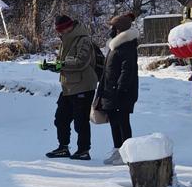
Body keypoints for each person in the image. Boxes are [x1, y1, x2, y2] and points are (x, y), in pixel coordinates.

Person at [41, 14, 98, 160]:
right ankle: (63, 147)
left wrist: (62, 65)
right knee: (60, 119)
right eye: (58, 30)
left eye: (61, 30)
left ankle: (83, 150)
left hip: (83, 86)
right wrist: (53, 66)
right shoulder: (65, 40)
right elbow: (64, 63)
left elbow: (80, 62)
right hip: (67, 87)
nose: (59, 33)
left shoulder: (83, 40)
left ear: (69, 27)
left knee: (81, 121)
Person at [98, 12, 140, 165]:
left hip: (120, 92)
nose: (111, 30)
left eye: (113, 27)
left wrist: (120, 89)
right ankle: (118, 150)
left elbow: (127, 70)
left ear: (119, 29)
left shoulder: (126, 45)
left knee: (122, 122)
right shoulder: (116, 44)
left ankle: (126, 153)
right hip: (111, 90)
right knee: (115, 122)